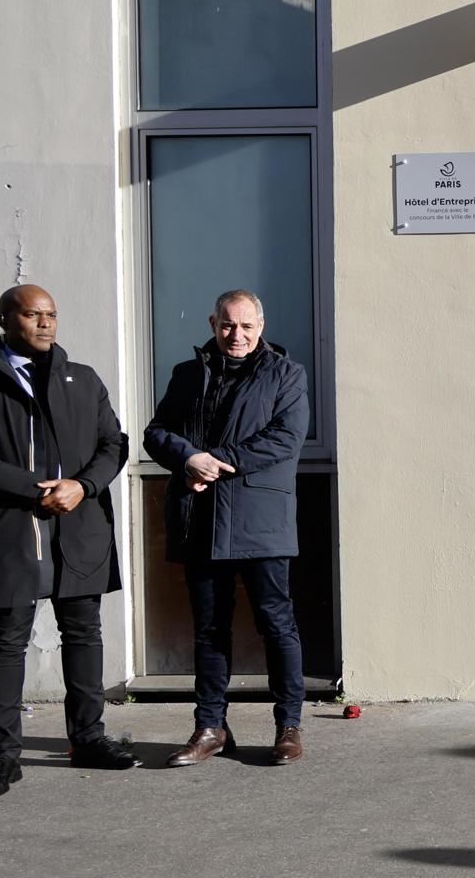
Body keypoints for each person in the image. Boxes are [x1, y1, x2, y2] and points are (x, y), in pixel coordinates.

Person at [0, 284, 138, 799]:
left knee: (84, 633)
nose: (46, 323)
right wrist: (32, 490)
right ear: (5, 318)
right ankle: (2, 758)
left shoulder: (82, 379)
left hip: (79, 525)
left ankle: (88, 740)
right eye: (33, 314)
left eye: (52, 314)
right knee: (6, 641)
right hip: (9, 531)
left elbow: (113, 443)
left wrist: (81, 486)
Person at [144, 289, 309, 767]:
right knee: (209, 630)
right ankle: (211, 727)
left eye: (246, 326)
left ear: (261, 325)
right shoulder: (187, 374)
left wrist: (216, 462)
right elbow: (157, 432)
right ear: (213, 322)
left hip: (260, 522)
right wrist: (188, 457)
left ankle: (288, 726)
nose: (236, 335)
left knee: (276, 624)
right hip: (200, 521)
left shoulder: (286, 374)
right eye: (227, 325)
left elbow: (285, 437)